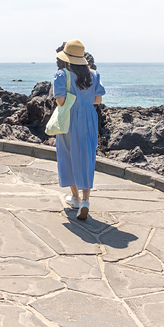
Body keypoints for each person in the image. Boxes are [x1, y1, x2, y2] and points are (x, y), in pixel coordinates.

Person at [53, 39, 105, 220]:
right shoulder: (94, 75)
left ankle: (74, 197)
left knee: (67, 154)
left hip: (69, 118)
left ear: (67, 59)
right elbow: (97, 100)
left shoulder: (62, 75)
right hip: (89, 118)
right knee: (87, 156)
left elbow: (60, 101)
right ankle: (86, 200)